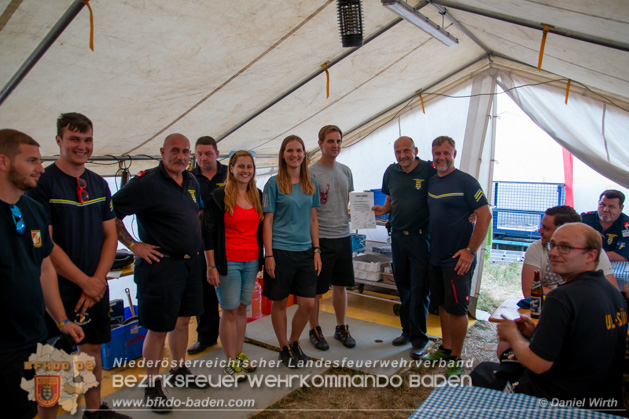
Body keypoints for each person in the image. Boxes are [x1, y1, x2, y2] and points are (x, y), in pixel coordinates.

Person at [26, 113, 127, 419]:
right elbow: (47, 244)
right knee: (52, 360)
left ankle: (93, 411)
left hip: (94, 285)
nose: (82, 146)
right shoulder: (43, 184)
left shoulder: (98, 183)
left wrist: (96, 281)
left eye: (87, 140)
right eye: (74, 139)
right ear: (59, 141)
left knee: (91, 351)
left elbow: (110, 236)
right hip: (56, 287)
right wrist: (85, 281)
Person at [472, 223, 627, 410]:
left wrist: (512, 335)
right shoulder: (612, 292)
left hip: (561, 400)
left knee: (484, 373)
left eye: (565, 248)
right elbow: (585, 339)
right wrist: (538, 330)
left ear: (591, 255)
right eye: (552, 245)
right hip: (605, 398)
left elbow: (538, 364)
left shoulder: (562, 297)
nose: (553, 253)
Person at [112, 133, 209, 413]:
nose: (181, 156)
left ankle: (179, 369)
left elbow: (196, 213)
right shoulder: (146, 183)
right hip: (160, 267)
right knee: (157, 329)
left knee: (183, 321)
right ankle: (152, 386)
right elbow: (109, 211)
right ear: (162, 151)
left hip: (190, 264)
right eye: (175, 151)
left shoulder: (191, 180)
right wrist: (133, 245)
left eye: (185, 152)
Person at [1, 129, 84, 419]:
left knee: (32, 406)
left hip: (33, 335)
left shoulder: (33, 209)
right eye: (32, 161)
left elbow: (45, 266)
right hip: (3, 344)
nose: (40, 168)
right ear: (3, 162)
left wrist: (60, 319)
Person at [423, 136, 492, 376]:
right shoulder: (432, 182)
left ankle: (456, 357)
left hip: (458, 259)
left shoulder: (466, 181)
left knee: (458, 310)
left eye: (446, 153)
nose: (441, 157)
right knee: (443, 305)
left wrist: (470, 251)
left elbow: (484, 215)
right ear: (432, 155)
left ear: (454, 153)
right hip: (436, 256)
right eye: (437, 153)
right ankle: (446, 347)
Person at [372, 136, 436, 359]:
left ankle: (420, 339)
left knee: (420, 290)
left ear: (415, 150)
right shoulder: (391, 172)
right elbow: (390, 201)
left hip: (420, 239)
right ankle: (407, 331)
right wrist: (383, 209)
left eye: (406, 151)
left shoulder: (429, 169)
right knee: (404, 287)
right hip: (397, 238)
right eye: (398, 152)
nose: (402, 156)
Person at [263, 135, 321, 368]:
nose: (294, 154)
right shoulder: (273, 184)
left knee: (308, 303)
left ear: (304, 154)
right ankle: (284, 347)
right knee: (280, 302)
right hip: (280, 252)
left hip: (306, 251)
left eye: (298, 150)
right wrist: (268, 255)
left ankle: (295, 341)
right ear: (283, 154)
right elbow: (267, 222)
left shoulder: (311, 183)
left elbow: (313, 219)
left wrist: (317, 250)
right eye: (290, 150)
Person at [204, 150, 263, 380]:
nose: (245, 170)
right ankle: (229, 361)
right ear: (231, 168)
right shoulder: (218, 196)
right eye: (241, 166)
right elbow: (208, 233)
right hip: (227, 262)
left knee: (241, 309)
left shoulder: (257, 195)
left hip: (251, 260)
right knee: (228, 311)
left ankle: (238, 355)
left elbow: (259, 229)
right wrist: (211, 266)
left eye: (249, 166)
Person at [308, 125, 356, 351]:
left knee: (341, 285)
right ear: (320, 144)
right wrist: (315, 246)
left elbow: (349, 203)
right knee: (316, 290)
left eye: (338, 141)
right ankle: (315, 329)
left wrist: (365, 213)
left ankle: (341, 327)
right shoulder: (311, 173)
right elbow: (310, 211)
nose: (335, 145)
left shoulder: (346, 171)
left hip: (343, 236)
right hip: (322, 239)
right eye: (330, 141)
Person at [187, 136, 227, 355]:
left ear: (217, 153)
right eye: (199, 154)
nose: (203, 158)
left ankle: (236, 334)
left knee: (231, 290)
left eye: (208, 153)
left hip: (228, 241)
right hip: (200, 243)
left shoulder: (230, 173)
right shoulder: (189, 177)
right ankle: (206, 337)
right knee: (204, 292)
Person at [522, 205, 617, 296]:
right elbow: (531, 291)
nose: (540, 231)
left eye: (546, 228)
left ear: (563, 230)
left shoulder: (591, 251)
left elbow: (611, 293)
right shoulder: (537, 248)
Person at [581, 190, 629, 261]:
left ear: (621, 208)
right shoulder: (584, 219)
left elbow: (623, 256)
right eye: (602, 205)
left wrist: (586, 255)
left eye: (611, 207)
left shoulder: (626, 225)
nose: (606, 209)